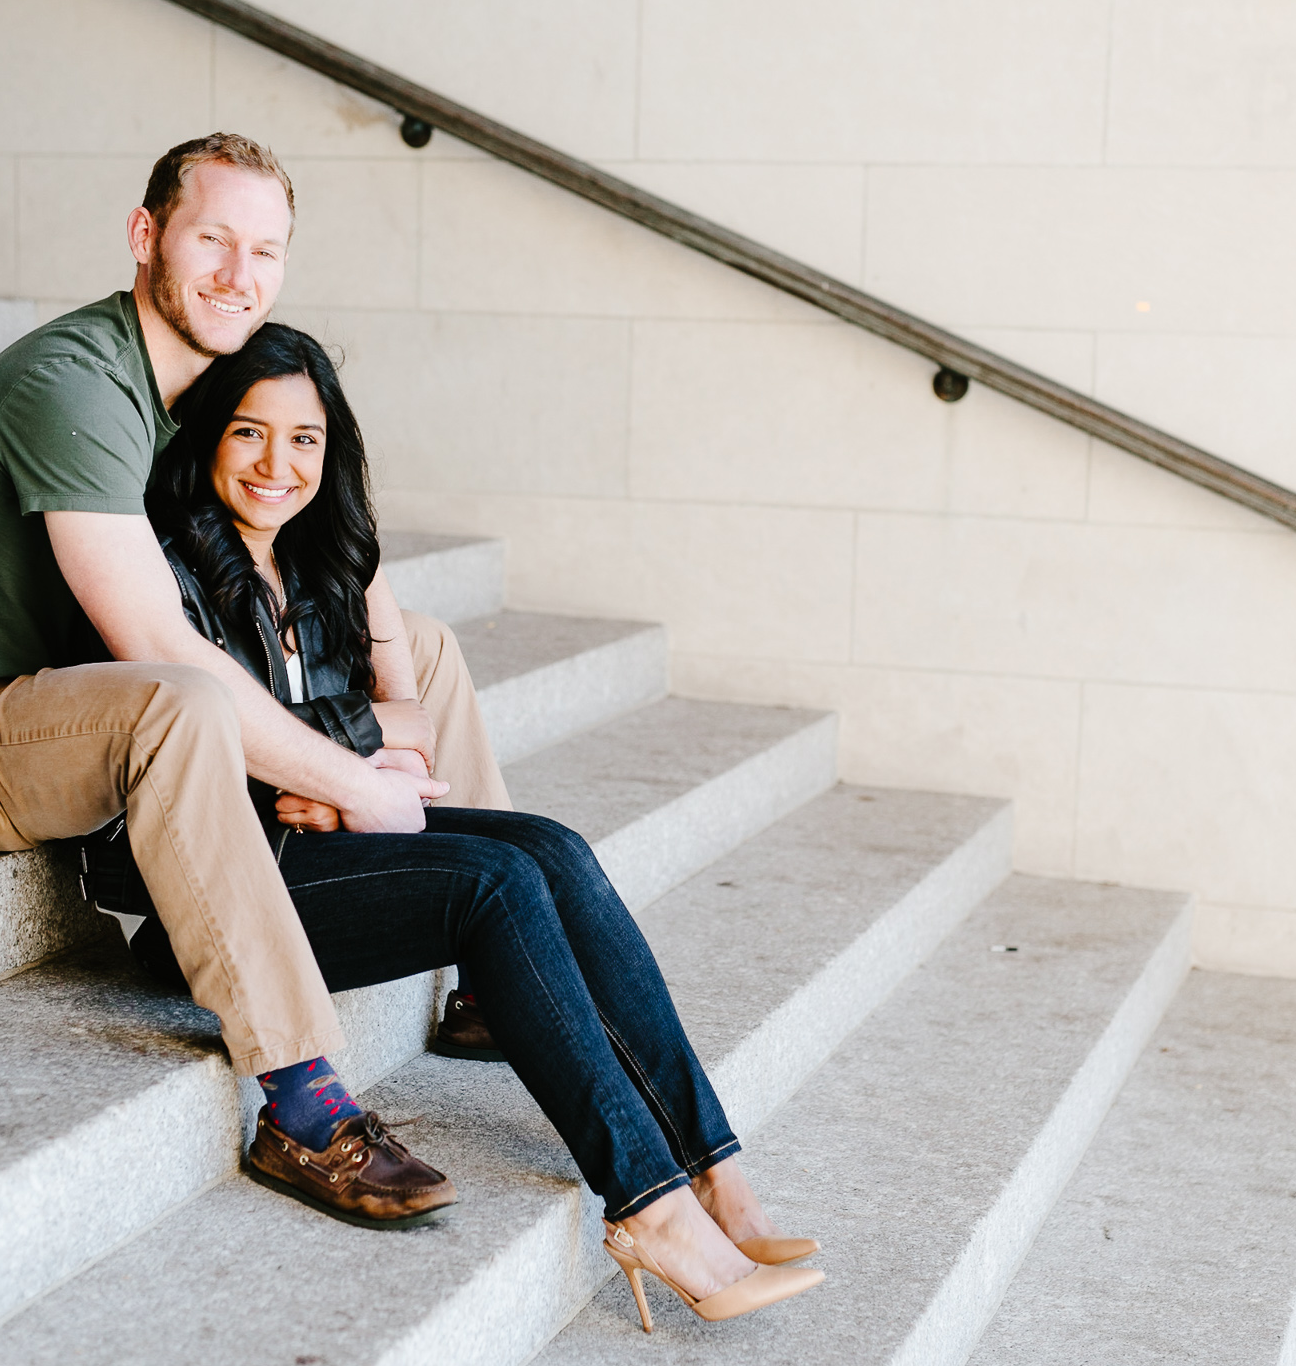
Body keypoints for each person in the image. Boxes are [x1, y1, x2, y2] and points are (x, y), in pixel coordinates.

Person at [76, 321, 824, 1326]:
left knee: (551, 845)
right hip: (218, 897)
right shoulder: (165, 568)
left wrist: (334, 764)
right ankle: (649, 1204)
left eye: (304, 439)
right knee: (494, 884)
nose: (276, 464)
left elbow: (397, 714)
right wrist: (335, 762)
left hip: (321, 847)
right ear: (207, 436)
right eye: (249, 433)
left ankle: (714, 1174)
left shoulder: (319, 559)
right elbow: (217, 744)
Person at [0, 134, 450, 1191]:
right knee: (183, 699)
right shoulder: (76, 383)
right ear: (146, 237)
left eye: (264, 251)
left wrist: (386, 712)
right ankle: (303, 1102)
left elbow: (327, 544)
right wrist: (354, 775)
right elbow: (159, 648)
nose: (239, 276)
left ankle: (475, 932)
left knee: (430, 648)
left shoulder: (210, 377)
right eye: (212, 239)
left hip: (76, 701)